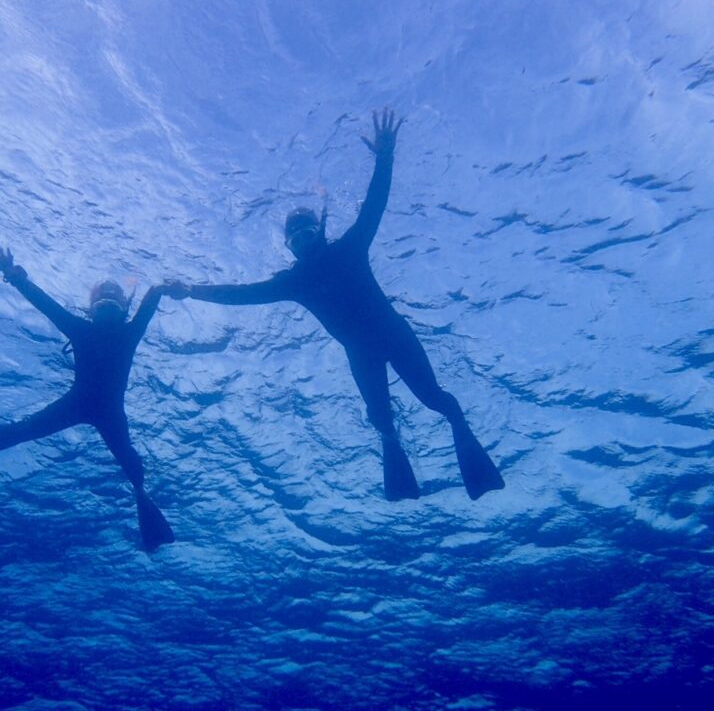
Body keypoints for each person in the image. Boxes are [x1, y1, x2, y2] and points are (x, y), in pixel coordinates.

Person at [167, 108, 504, 501]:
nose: (304, 241)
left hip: (393, 335)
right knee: (381, 419)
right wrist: (191, 289)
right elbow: (242, 294)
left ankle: (459, 430)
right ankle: (395, 449)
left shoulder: (349, 248)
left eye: (308, 232)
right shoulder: (294, 282)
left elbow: (374, 205)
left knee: (432, 398)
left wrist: (385, 155)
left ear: (321, 231)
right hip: (363, 352)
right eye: (296, 239)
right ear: (289, 247)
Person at [0, 246, 175, 551]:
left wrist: (14, 275)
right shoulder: (115, 330)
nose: (108, 296)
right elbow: (47, 303)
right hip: (96, 407)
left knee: (128, 463)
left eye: (113, 293)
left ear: (123, 308)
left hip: (89, 407)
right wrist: (14, 276)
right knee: (24, 434)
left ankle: (141, 495)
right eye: (102, 294)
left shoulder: (106, 329)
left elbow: (150, 297)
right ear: (91, 309)